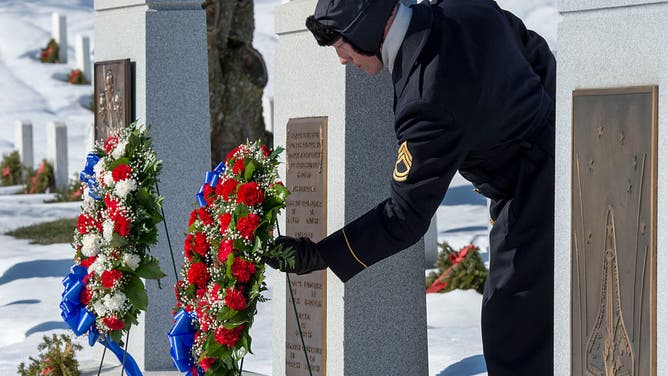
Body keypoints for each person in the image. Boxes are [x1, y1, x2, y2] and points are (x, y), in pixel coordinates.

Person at [266, 0, 556, 374]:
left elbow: (403, 218)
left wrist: (318, 256)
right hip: (556, 162)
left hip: (531, 191)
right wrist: (552, 125)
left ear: (365, 29)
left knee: (511, 328)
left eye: (342, 46)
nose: (342, 60)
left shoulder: (426, 98)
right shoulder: (463, 8)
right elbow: (534, 50)